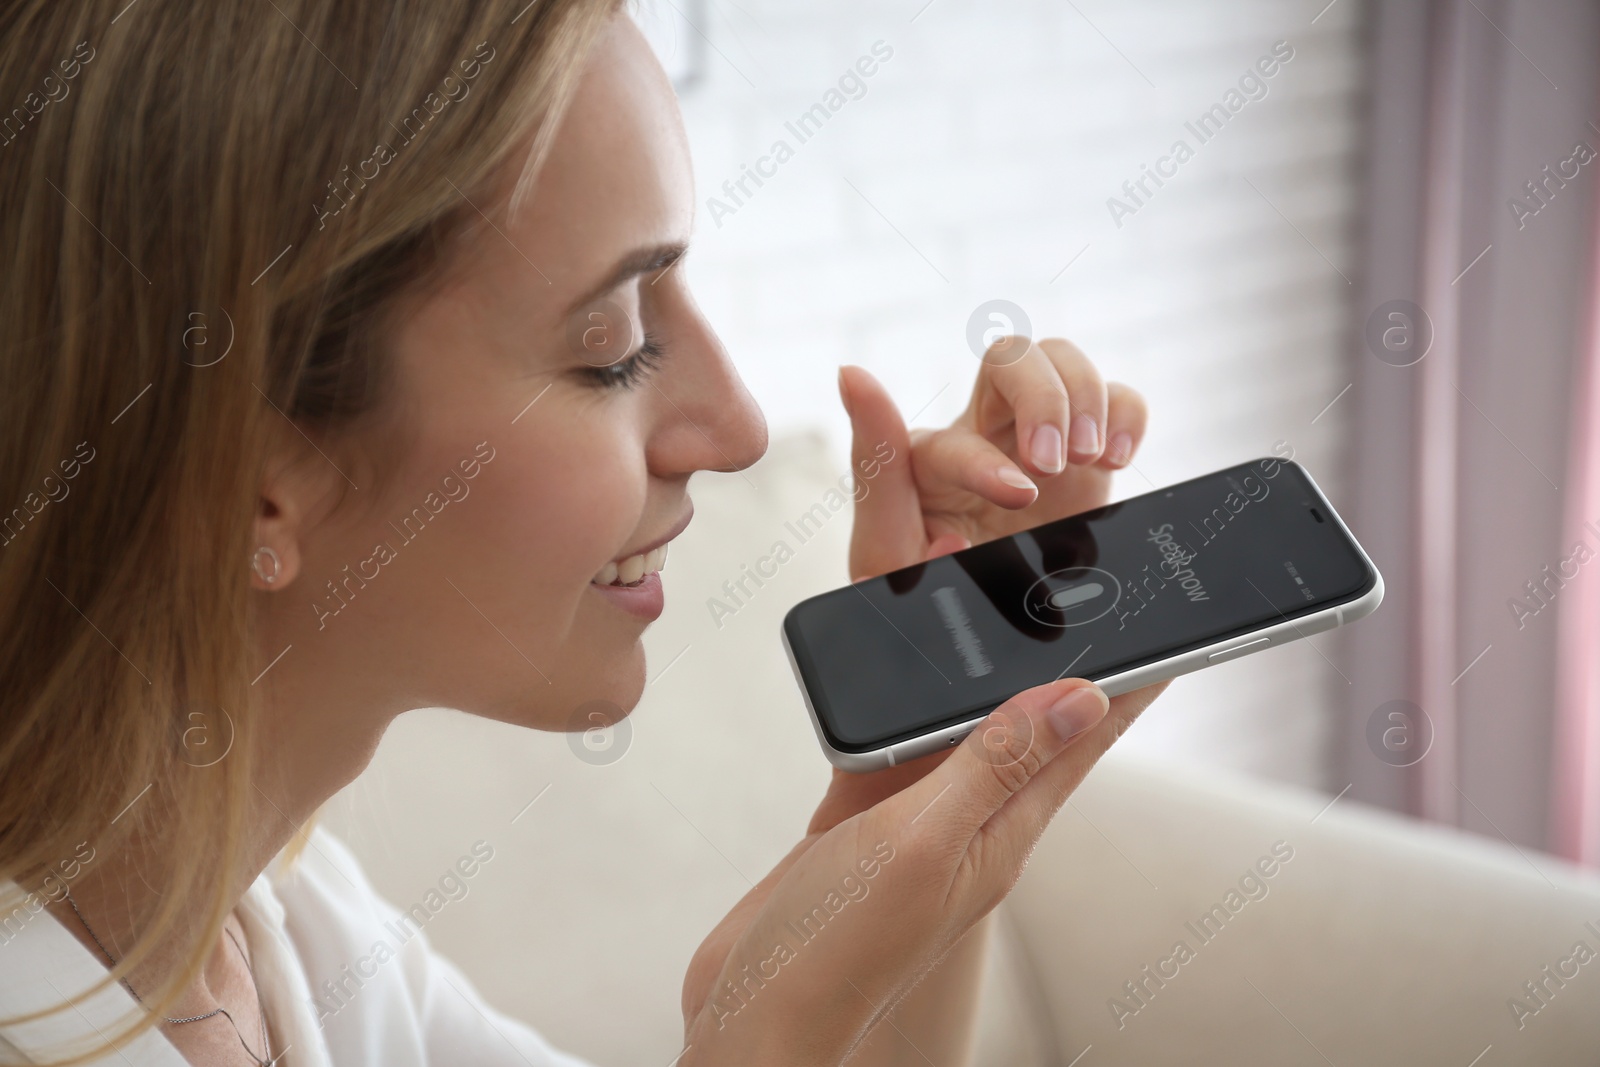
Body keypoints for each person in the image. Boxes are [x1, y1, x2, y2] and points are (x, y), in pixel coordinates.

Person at [0, 1, 1166, 1064]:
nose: (740, 426)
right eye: (610, 345)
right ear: (254, 484)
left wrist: (921, 801)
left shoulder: (299, 950)